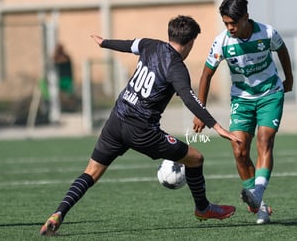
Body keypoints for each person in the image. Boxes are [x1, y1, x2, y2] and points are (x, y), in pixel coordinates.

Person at [40, 15, 242, 236]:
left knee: (91, 172)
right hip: (142, 131)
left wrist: (104, 42)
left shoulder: (150, 44)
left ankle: (58, 213)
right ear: (192, 42)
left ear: (170, 34)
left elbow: (128, 45)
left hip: (116, 120)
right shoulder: (177, 68)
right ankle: (203, 208)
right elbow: (189, 99)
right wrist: (219, 128)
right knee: (196, 158)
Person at [193, 0, 294, 224]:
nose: (230, 28)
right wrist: (200, 111)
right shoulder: (222, 42)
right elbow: (206, 75)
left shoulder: (267, 33)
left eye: (233, 23)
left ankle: (256, 194)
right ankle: (260, 206)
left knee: (264, 139)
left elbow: (283, 51)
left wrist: (289, 79)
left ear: (246, 17)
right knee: (239, 151)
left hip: (270, 94)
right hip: (242, 99)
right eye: (226, 23)